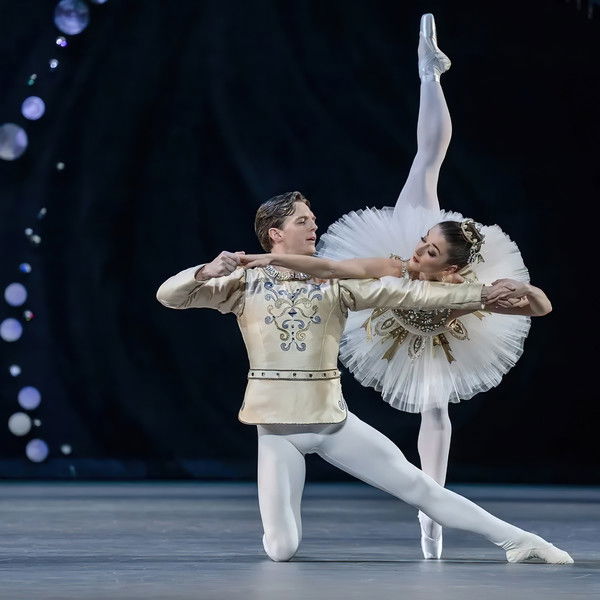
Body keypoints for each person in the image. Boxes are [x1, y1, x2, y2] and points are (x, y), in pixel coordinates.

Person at [239, 13, 549, 560]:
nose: (418, 248)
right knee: (425, 165)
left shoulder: (456, 288)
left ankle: (432, 520)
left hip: (432, 330)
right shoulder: (402, 251)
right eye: (423, 241)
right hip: (387, 303)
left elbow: (528, 307)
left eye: (428, 249)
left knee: (436, 413)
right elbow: (336, 270)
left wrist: (527, 298)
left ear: (448, 270)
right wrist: (267, 259)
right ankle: (430, 74)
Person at [156, 189, 572, 564]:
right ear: (275, 233)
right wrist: (205, 271)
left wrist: (481, 293)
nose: (314, 225)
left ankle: (521, 540)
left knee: (419, 487)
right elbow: (169, 296)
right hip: (277, 428)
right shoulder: (243, 283)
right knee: (282, 549)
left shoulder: (337, 284)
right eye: (302, 220)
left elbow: (412, 293)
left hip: (331, 422)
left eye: (312, 219)